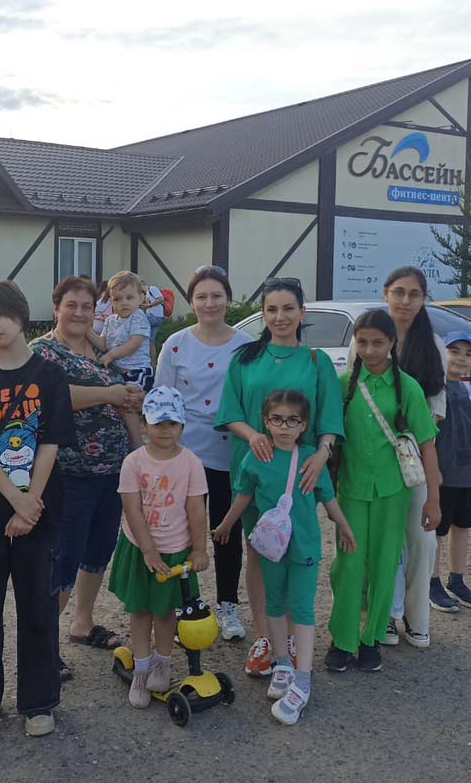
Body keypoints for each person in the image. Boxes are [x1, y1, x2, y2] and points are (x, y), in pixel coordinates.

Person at [0, 281, 75, 738]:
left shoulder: (50, 375)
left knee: (38, 604)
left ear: (20, 315)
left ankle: (39, 701)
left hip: (39, 511)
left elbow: (52, 442)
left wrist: (30, 505)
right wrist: (15, 499)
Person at [215, 277, 343, 678]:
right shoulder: (245, 359)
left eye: (288, 308)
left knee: (294, 550)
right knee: (260, 549)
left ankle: (289, 637)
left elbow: (330, 420)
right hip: (256, 467)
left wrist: (322, 454)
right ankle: (265, 636)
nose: (280, 316)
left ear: (302, 312)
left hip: (301, 474)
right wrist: (253, 435)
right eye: (271, 309)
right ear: (263, 314)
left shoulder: (317, 362)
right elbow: (230, 413)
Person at [214, 390, 355, 725]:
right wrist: (226, 524)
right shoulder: (255, 458)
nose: (284, 427)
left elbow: (329, 499)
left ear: (304, 425)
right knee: (274, 603)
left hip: (304, 547)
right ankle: (281, 663)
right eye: (277, 419)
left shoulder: (311, 460)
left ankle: (302, 679)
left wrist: (345, 526)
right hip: (271, 548)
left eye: (293, 421)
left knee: (302, 609)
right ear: (266, 421)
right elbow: (243, 496)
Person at [31, 277, 145, 681]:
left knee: (98, 550)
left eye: (87, 306)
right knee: (64, 557)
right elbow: (49, 397)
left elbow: (124, 404)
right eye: (72, 305)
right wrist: (110, 395)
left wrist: (139, 453)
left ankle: (82, 623)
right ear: (56, 307)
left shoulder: (101, 350)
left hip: (112, 471)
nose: (80, 313)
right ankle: (44, 647)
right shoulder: (43, 352)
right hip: (69, 474)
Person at [327, 309, 441, 674]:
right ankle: (342, 638)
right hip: (351, 490)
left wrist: (434, 500)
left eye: (378, 342)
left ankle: (372, 637)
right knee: (347, 566)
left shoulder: (408, 388)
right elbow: (327, 438)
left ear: (392, 343)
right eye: (362, 342)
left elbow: (428, 445)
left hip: (393, 492)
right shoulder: (342, 384)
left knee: (384, 564)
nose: (370, 350)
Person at [154, 265, 253, 641]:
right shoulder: (176, 344)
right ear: (191, 301)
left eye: (216, 296)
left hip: (231, 453)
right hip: (186, 454)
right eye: (201, 297)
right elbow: (163, 400)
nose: (209, 303)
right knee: (182, 531)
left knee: (227, 530)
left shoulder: (246, 346)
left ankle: (228, 605)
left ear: (228, 299)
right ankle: (187, 605)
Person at [107, 386, 210, 708]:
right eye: (157, 423)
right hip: (140, 548)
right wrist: (149, 550)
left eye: (172, 424)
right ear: (144, 424)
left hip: (175, 548)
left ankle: (163, 664)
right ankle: (141, 669)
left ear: (182, 426)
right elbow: (133, 510)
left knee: (165, 612)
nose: (165, 430)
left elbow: (196, 508)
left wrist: (199, 549)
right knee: (140, 611)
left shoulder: (191, 463)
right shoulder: (133, 462)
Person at [381, 266, 447, 650]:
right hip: (374, 457)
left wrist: (406, 436)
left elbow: (436, 412)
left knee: (422, 540)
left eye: (414, 294)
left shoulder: (433, 345)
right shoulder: (369, 337)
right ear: (386, 294)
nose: (405, 301)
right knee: (385, 539)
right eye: (399, 292)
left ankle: (417, 617)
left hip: (417, 456)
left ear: (423, 299)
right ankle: (386, 615)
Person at [429, 331, 471, 612]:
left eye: (468, 353)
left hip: (469, 472)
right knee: (437, 530)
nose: (461, 358)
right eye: (454, 351)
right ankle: (432, 582)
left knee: (463, 525)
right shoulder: (435, 390)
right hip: (445, 473)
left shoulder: (465, 390)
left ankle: (457, 580)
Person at [88, 271, 154, 392]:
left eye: (129, 298)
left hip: (137, 371)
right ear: (111, 302)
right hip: (117, 372)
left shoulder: (138, 317)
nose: (124, 303)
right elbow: (103, 345)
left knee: (132, 396)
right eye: (117, 299)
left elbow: (134, 344)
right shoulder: (110, 321)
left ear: (141, 298)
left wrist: (110, 356)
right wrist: (87, 330)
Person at [141, 279, 167, 358]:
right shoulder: (147, 293)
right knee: (150, 341)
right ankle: (153, 362)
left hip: (155, 316)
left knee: (138, 324)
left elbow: (161, 299)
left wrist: (149, 305)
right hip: (156, 317)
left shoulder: (152, 288)